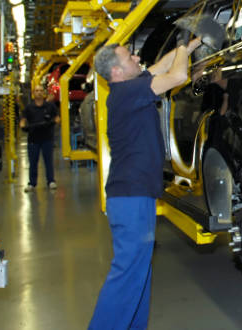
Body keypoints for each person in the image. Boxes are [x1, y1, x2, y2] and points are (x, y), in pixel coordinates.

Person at [89, 37, 200, 330]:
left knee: (139, 274)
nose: (137, 58)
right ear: (116, 72)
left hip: (135, 197)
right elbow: (177, 76)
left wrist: (186, 47)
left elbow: (160, 67)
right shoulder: (127, 92)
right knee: (128, 274)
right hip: (131, 197)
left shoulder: (129, 88)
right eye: (130, 57)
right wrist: (181, 59)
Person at [20, 85, 60, 191]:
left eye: (41, 90)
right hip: (33, 139)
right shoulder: (29, 108)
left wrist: (51, 123)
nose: (39, 92)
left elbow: (57, 118)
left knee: (48, 161)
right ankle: (32, 183)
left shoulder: (50, 107)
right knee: (33, 162)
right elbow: (23, 120)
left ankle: (51, 181)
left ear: (44, 93)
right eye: (37, 91)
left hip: (47, 138)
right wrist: (24, 126)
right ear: (33, 93)